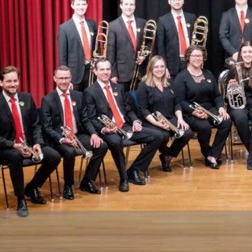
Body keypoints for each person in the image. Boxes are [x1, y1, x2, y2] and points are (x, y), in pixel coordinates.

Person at [82, 59, 160, 192]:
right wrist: (104, 129)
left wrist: (135, 121)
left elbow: (128, 109)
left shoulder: (118, 87)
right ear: (95, 71)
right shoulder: (90, 92)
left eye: (108, 69)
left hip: (125, 126)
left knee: (158, 136)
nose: (106, 72)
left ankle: (135, 170)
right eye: (102, 69)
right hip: (108, 130)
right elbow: (91, 117)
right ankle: (124, 178)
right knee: (116, 142)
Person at [0, 66, 61, 217]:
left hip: (28, 144)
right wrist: (13, 145)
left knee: (54, 156)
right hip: (6, 147)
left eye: (15, 80)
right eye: (8, 81)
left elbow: (36, 125)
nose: (12, 84)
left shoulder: (27, 98)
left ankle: (32, 187)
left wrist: (38, 143)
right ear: (1, 83)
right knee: (15, 156)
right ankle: (21, 198)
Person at [40, 65, 108, 199]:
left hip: (78, 135)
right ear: (54, 79)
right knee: (70, 152)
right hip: (59, 138)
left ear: (71, 78)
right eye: (60, 78)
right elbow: (46, 127)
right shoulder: (48, 99)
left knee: (102, 146)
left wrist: (94, 133)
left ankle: (87, 181)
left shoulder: (78, 95)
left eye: (66, 78)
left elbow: (85, 119)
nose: (64, 81)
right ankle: (68, 186)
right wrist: (62, 139)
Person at [172, 45, 232, 169]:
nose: (197, 58)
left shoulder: (208, 74)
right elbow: (180, 101)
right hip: (189, 111)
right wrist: (194, 112)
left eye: (199, 56)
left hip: (209, 108)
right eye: (194, 55)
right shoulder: (181, 77)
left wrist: (221, 107)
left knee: (226, 121)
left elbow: (216, 96)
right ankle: (206, 153)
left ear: (203, 58)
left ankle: (213, 154)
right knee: (204, 127)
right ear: (188, 57)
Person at [135, 56, 193, 173]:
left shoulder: (169, 83)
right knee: (164, 135)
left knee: (187, 133)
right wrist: (158, 123)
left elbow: (176, 103)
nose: (159, 69)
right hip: (151, 120)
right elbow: (144, 110)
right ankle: (165, 153)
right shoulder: (143, 85)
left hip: (169, 117)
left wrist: (180, 119)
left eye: (162, 66)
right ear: (150, 68)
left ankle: (167, 156)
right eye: (156, 66)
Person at [224, 42, 252, 169]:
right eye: (244, 52)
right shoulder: (233, 70)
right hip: (238, 105)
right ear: (240, 54)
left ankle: (250, 156)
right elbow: (227, 95)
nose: (247, 54)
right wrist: (231, 87)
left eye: (250, 52)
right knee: (240, 117)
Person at [57, 0, 97, 92]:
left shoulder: (92, 24)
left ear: (87, 5)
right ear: (72, 5)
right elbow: (63, 56)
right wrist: (66, 78)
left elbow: (96, 48)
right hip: (74, 75)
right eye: (78, 4)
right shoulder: (64, 28)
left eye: (83, 4)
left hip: (92, 72)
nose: (81, 7)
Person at [107, 0, 147, 87]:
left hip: (142, 73)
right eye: (126, 4)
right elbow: (111, 52)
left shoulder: (143, 23)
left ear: (135, 6)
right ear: (121, 6)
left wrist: (144, 55)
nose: (129, 7)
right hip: (122, 75)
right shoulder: (113, 26)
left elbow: (148, 43)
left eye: (131, 4)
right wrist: (113, 74)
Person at [155, 0, 196, 78]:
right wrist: (164, 67)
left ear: (183, 1)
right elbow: (160, 47)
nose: (177, 2)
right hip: (172, 66)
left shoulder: (191, 18)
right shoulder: (162, 20)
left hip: (191, 62)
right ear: (169, 1)